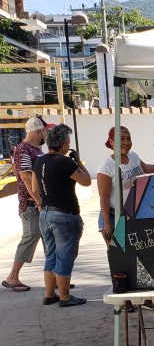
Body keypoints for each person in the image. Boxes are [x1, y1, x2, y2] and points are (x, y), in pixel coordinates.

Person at [31, 124, 91, 307]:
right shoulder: (65, 162)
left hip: (45, 214)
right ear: (64, 145)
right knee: (65, 256)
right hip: (64, 214)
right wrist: (78, 162)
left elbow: (34, 188)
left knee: (51, 255)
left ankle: (49, 294)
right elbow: (87, 181)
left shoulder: (39, 162)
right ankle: (65, 296)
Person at [2, 115, 52, 292]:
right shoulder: (24, 149)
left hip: (39, 202)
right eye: (45, 131)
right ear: (38, 132)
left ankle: (55, 278)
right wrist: (38, 201)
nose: (46, 134)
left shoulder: (35, 150)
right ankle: (13, 276)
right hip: (31, 204)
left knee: (48, 238)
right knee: (31, 236)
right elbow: (26, 177)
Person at [96, 126, 154, 243]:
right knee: (118, 253)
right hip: (113, 216)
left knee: (136, 252)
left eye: (129, 139)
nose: (126, 142)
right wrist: (107, 224)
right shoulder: (106, 166)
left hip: (133, 214)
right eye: (122, 139)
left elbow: (147, 169)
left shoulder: (134, 156)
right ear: (112, 142)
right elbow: (104, 198)